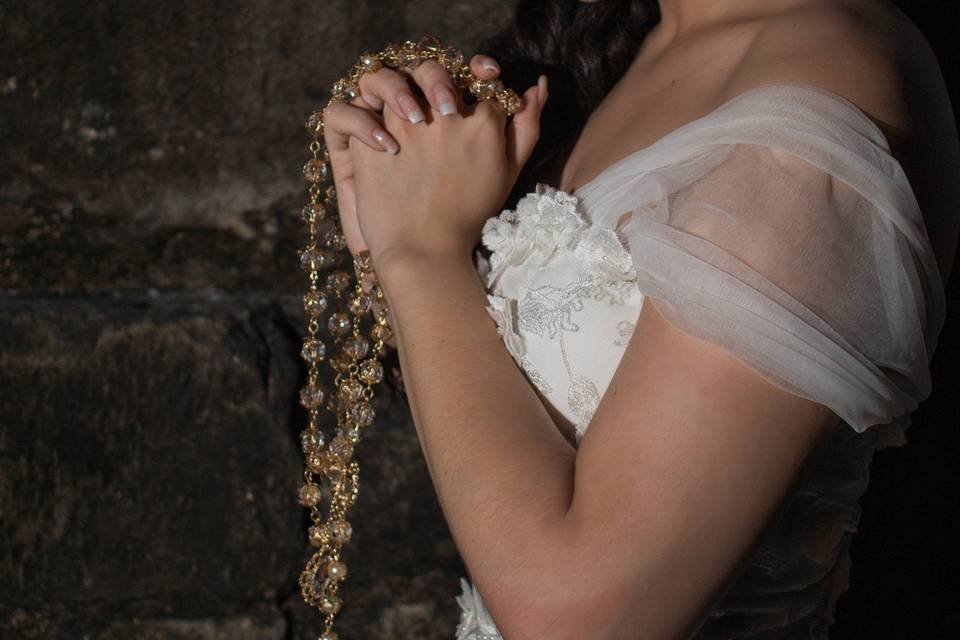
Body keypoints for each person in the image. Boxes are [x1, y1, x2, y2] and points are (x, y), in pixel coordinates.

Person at [319, 0, 957, 637]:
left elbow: (575, 623)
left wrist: (421, 257)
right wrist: (393, 217)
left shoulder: (826, 70)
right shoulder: (622, 48)